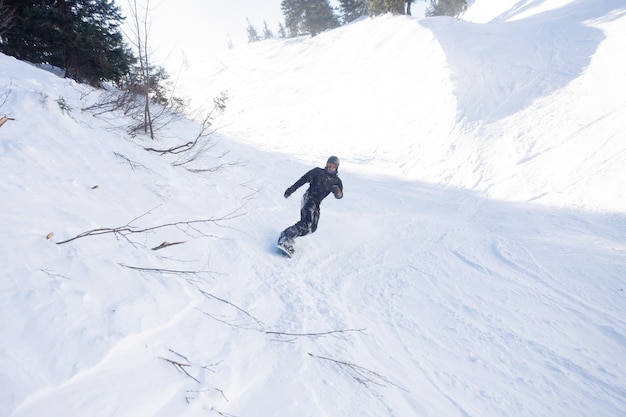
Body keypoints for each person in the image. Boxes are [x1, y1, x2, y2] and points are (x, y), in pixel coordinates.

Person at [277, 156, 344, 255]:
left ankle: (290, 237)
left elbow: (340, 196)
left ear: (336, 168)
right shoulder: (318, 172)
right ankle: (285, 237)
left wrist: (338, 192)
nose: (330, 168)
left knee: (312, 228)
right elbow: (303, 179)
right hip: (308, 198)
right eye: (328, 165)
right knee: (307, 222)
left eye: (332, 167)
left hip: (316, 203)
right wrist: (291, 189)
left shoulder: (337, 181)